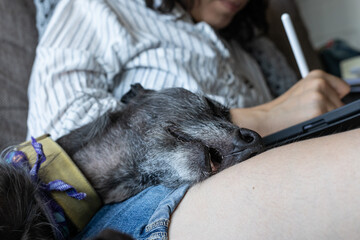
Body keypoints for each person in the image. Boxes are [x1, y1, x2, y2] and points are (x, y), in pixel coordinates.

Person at [27, 0, 360, 239]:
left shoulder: (249, 54)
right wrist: (268, 115)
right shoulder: (104, 8)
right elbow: (58, 127)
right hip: (140, 207)